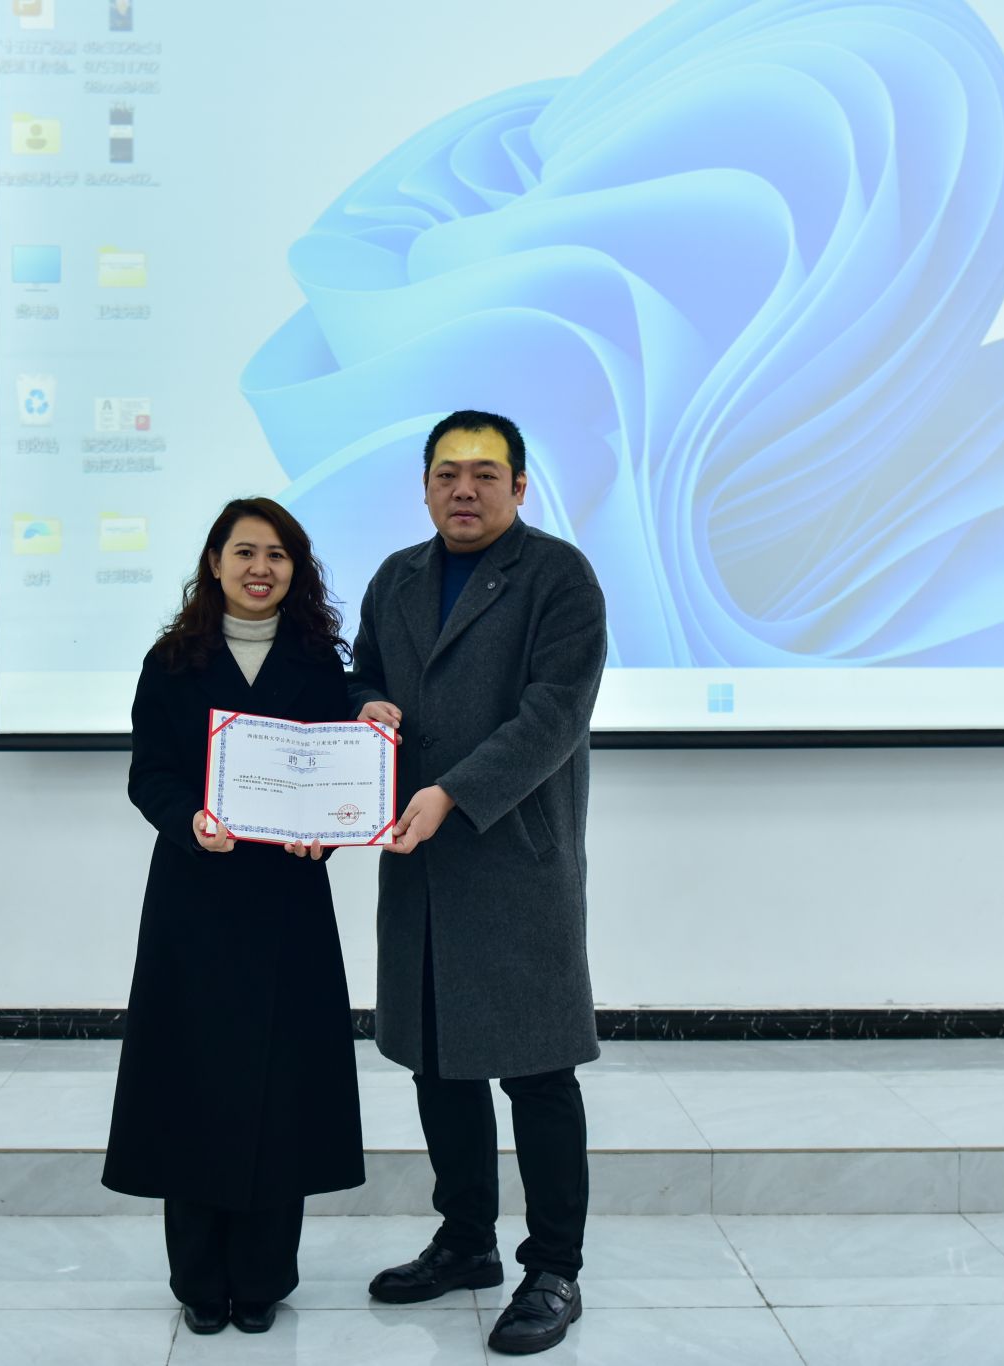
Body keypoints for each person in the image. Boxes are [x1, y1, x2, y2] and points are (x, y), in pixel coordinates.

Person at [349, 411, 607, 1356]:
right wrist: (363, 707)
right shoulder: (397, 577)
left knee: (537, 1071)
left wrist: (455, 793)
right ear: (425, 487)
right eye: (448, 473)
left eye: (486, 473)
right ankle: (465, 1242)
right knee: (437, 1062)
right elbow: (362, 673)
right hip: (418, 861)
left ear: (520, 487)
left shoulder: (559, 577)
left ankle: (555, 1268)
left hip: (515, 858)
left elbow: (555, 715)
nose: (465, 489)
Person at [103, 497, 365, 1336]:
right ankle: (198, 1281)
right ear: (214, 563)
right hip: (195, 900)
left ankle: (262, 1279)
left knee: (282, 1091)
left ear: (297, 570)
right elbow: (150, 773)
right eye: (245, 551)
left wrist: (327, 835)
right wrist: (189, 821)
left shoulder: (321, 665)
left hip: (289, 902)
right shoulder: (172, 661)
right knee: (192, 1084)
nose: (261, 568)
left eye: (278, 554)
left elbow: (343, 778)